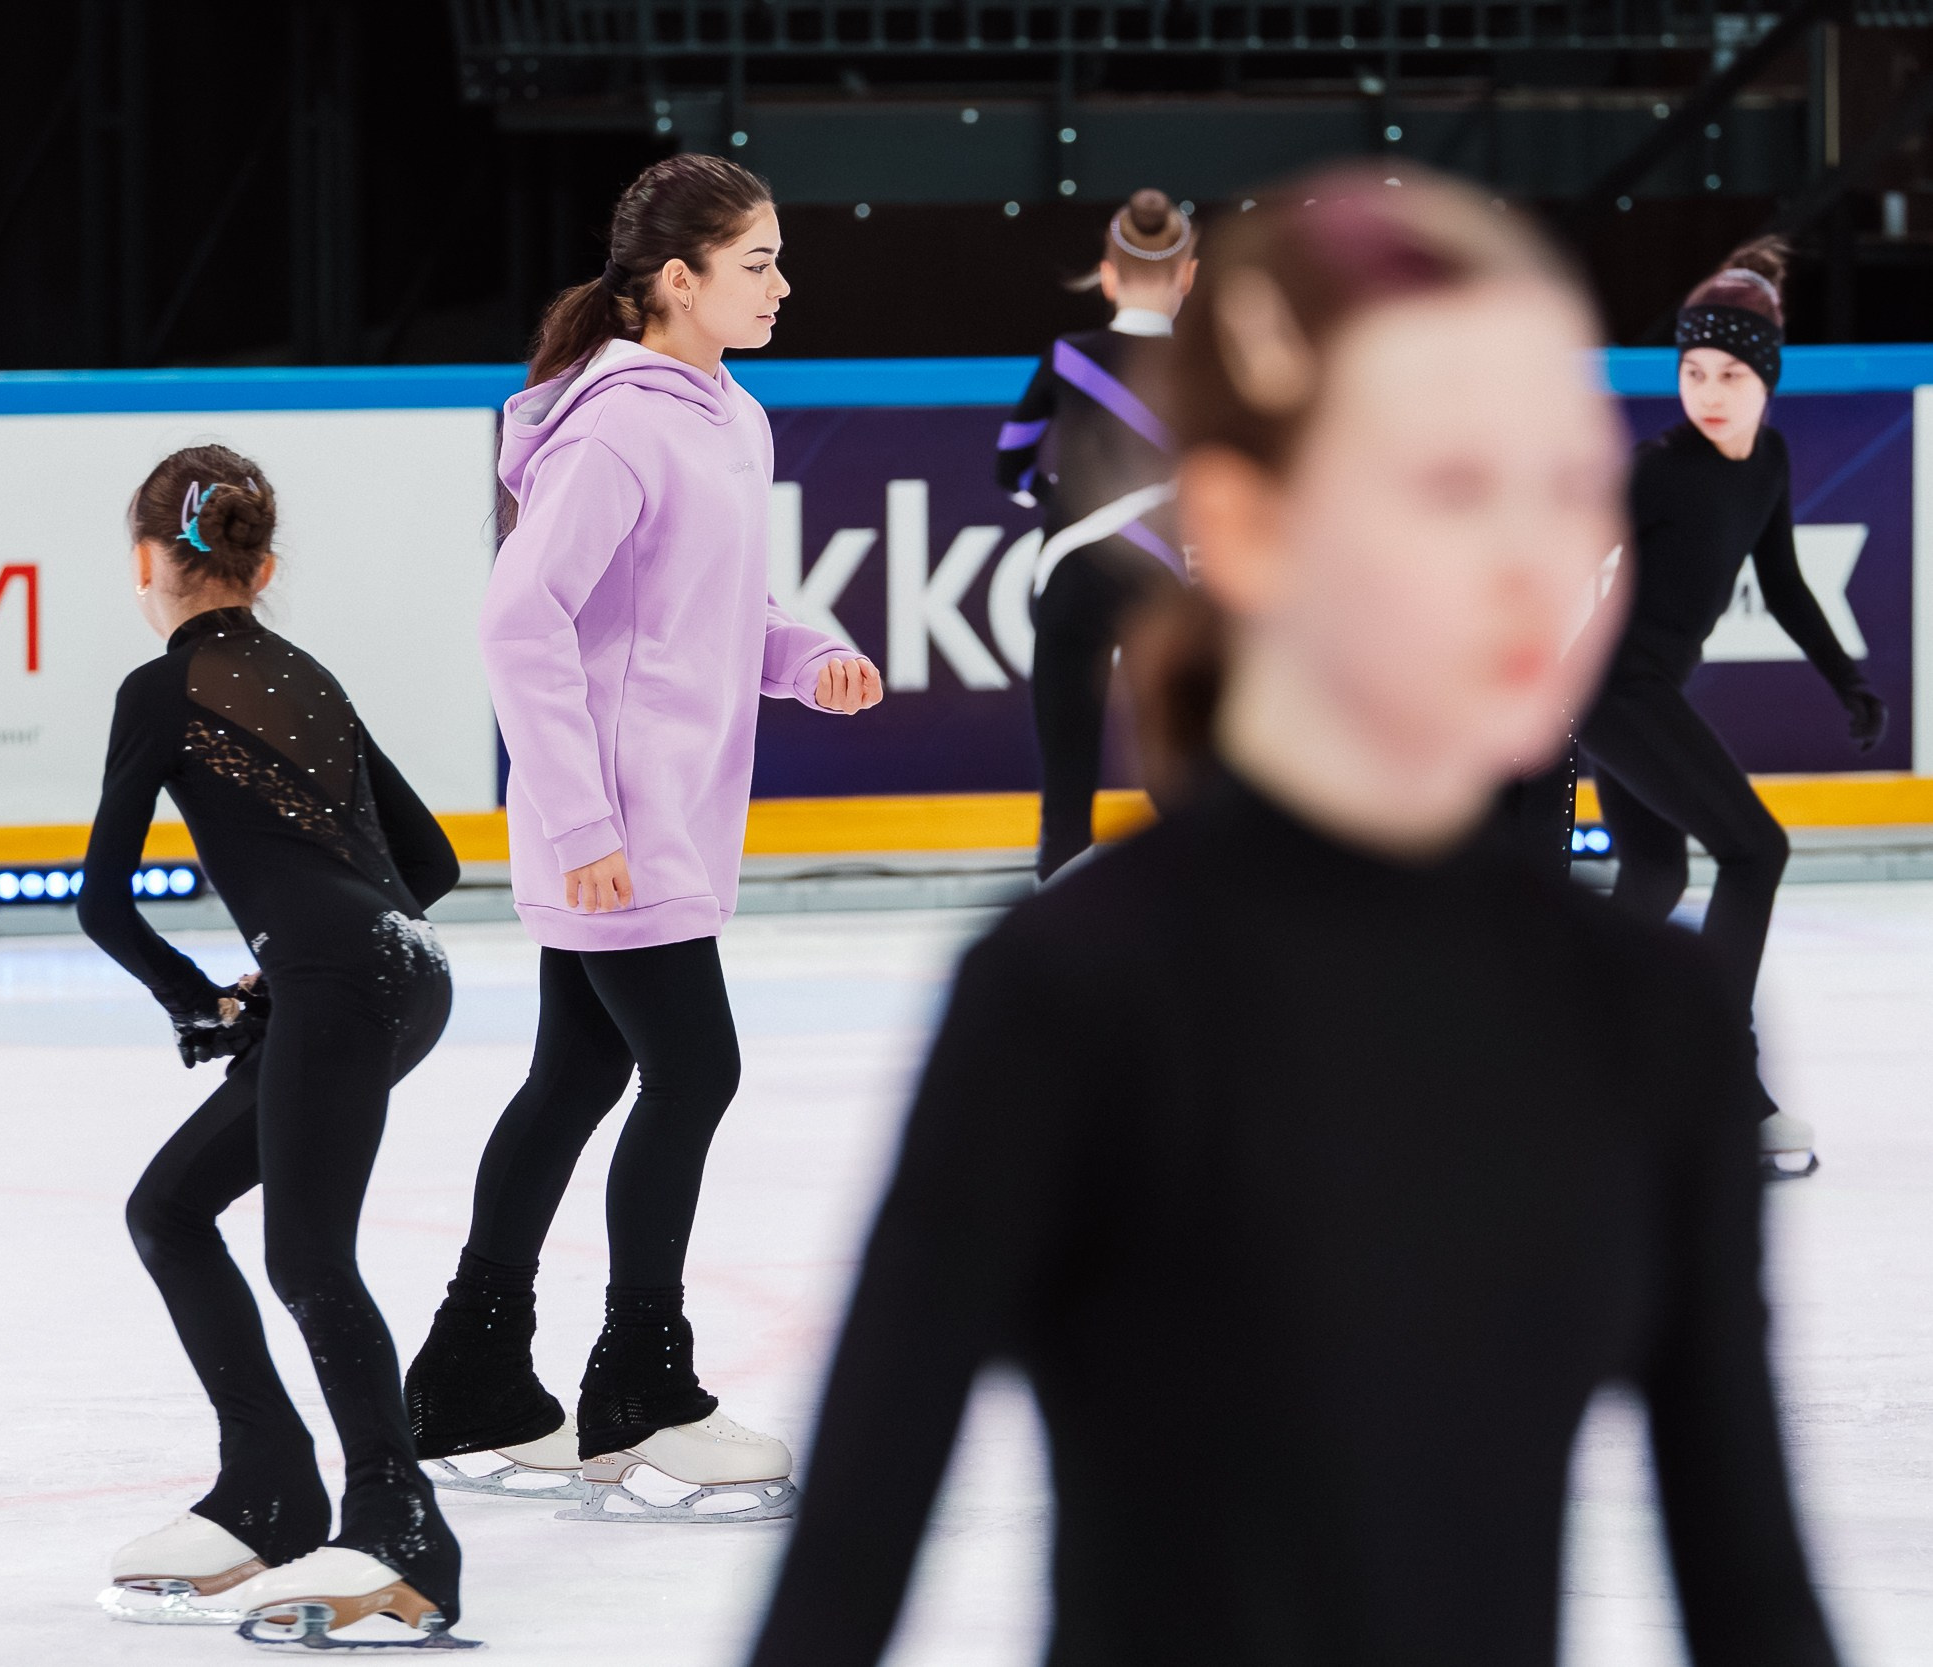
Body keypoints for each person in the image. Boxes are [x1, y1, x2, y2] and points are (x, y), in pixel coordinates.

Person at [749, 167, 1839, 1667]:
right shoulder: (1071, 995)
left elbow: (1758, 1600)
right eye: (1450, 484)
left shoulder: (1646, 1016)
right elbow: (837, 1595)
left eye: (1568, 477)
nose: (1536, 555)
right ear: (1248, 527)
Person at [401, 154, 884, 1523]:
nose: (784, 286)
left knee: (571, 1079)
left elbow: (710, 608)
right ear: (679, 281)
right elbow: (519, 619)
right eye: (758, 264)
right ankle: (640, 1384)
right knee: (695, 1066)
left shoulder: (724, 412)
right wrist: (577, 820)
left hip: (658, 814)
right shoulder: (621, 427)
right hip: (615, 824)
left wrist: (811, 652)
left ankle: (471, 1373)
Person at [79, 446, 470, 1646]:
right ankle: (270, 1484)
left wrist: (199, 999)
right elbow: (435, 865)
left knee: (306, 1257)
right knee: (172, 1209)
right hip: (398, 973)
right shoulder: (308, 672)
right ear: (264, 565)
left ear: (146, 559)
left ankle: (402, 1525)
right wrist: (290, 967)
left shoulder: (162, 687)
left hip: (337, 981)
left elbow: (103, 900)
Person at [1583, 239, 1889, 1179]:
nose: (1707, 391)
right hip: (1607, 687)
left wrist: (1843, 676)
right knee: (1758, 848)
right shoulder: (1656, 469)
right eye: (1691, 371)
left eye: (1728, 373)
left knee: (1653, 876)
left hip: (1645, 689)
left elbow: (1786, 581)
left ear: (1767, 381)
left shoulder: (1768, 463)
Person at [996, 188, 1196, 880]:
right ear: (1187, 275)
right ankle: (1202, 941)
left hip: (1073, 572)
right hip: (1166, 578)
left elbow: (1011, 465)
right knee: (1181, 779)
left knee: (1068, 788)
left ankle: (1059, 944)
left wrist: (1061, 507)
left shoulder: (1068, 356)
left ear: (1108, 276)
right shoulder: (1205, 361)